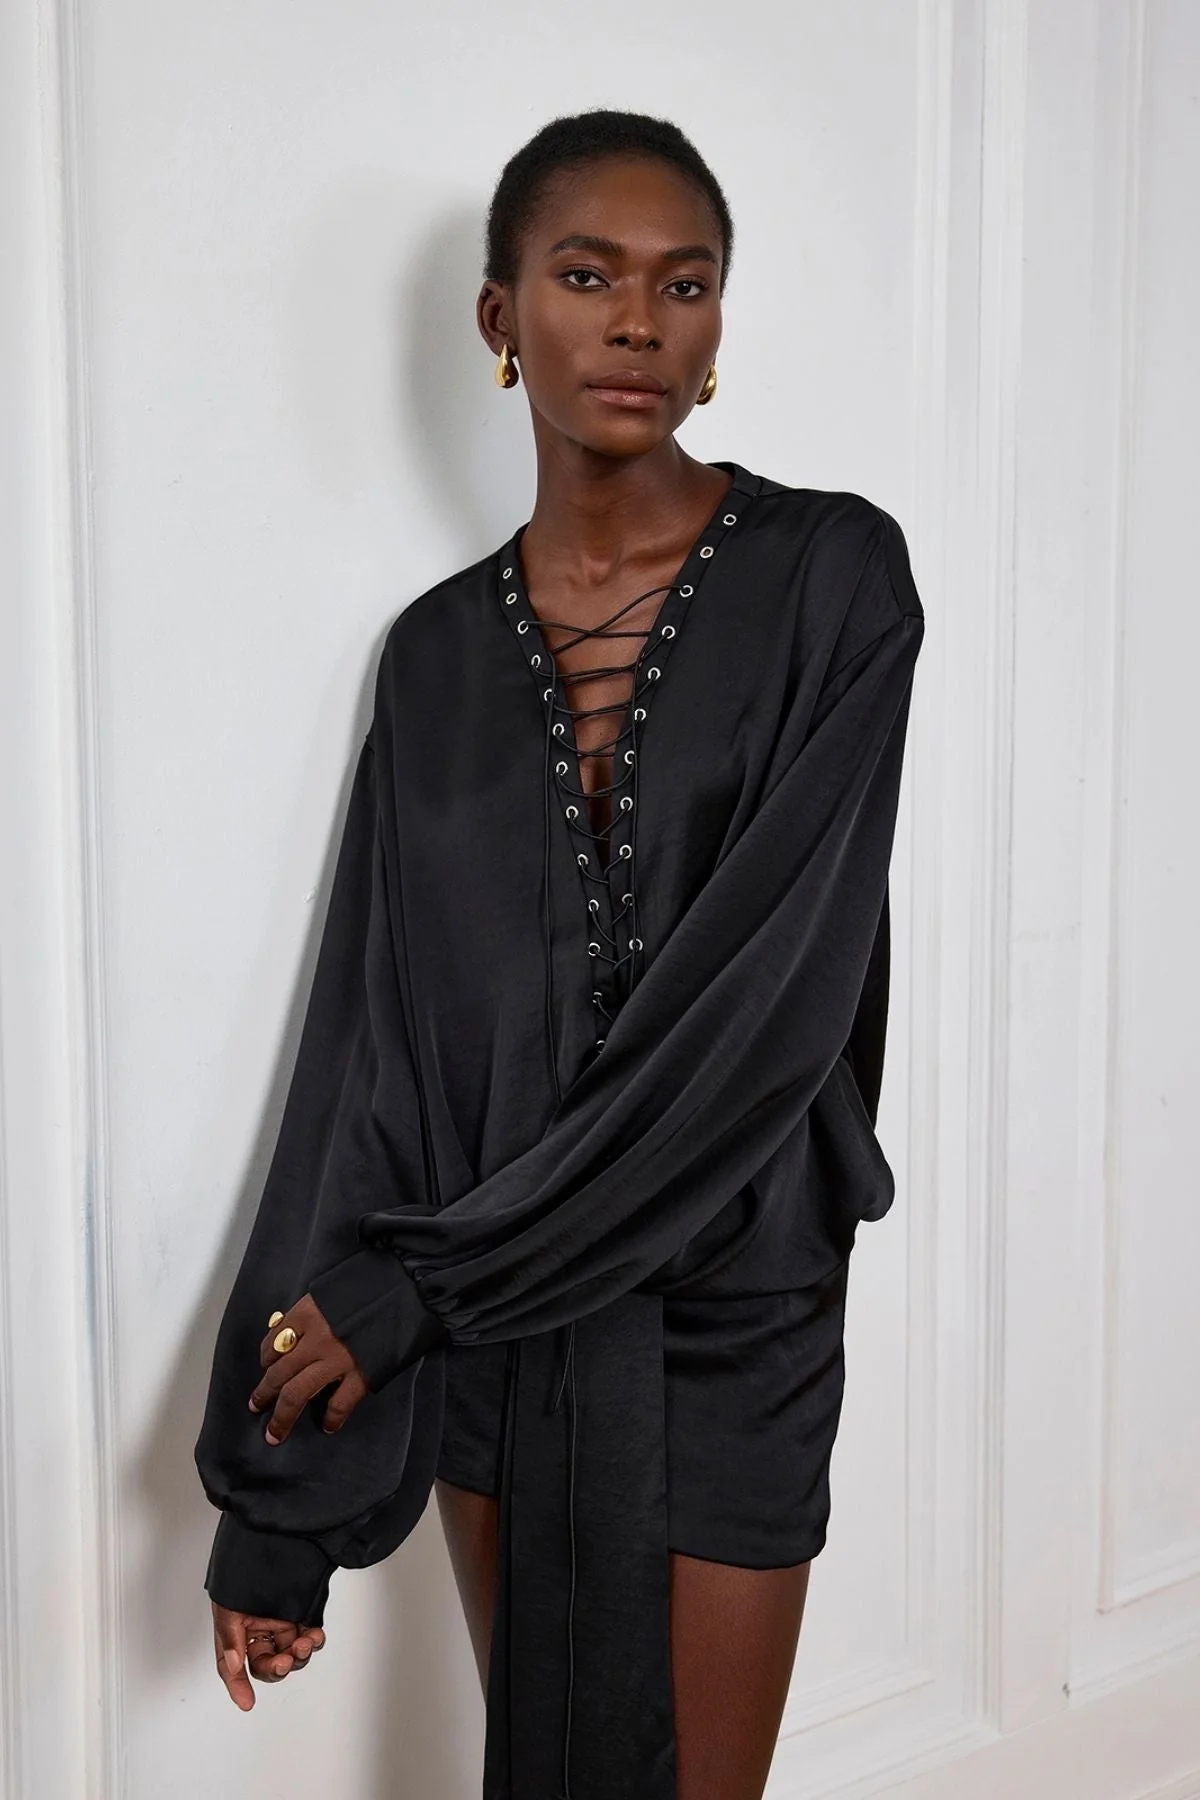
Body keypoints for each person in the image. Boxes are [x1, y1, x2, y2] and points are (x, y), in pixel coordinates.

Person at [194, 107, 925, 1800]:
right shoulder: (435, 659)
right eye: (587, 276)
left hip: (732, 1302)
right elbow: (372, 1055)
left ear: (719, 325)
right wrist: (276, 1510)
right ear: (501, 315)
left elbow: (769, 1016)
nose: (639, 321)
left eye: (686, 283)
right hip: (498, 1331)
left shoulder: (839, 577)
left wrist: (423, 1289)